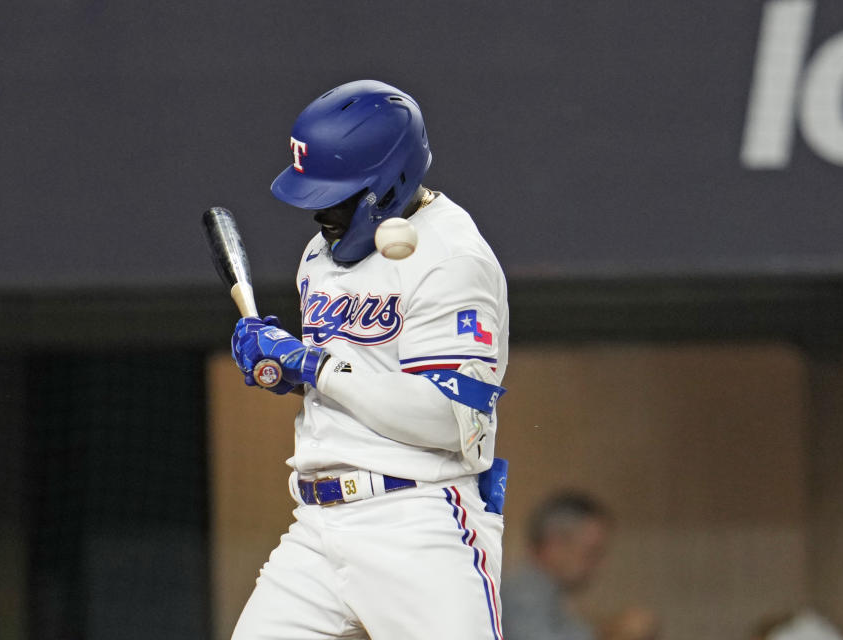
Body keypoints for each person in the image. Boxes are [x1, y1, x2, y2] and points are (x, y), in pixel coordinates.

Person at [228, 79, 510, 640]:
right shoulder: (319, 254)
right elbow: (355, 376)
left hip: (417, 523)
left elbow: (451, 421)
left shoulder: (453, 259)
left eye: (335, 196)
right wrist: (283, 370)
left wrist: (313, 365)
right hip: (316, 525)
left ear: (388, 182)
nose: (321, 215)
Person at [501, 491, 616, 640]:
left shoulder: (544, 595)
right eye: (591, 552)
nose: (600, 564)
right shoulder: (522, 594)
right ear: (556, 545)